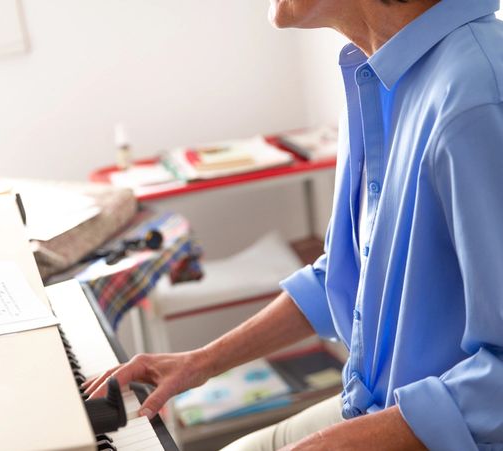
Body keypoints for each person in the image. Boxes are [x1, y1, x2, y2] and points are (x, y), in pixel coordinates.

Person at [84, 0, 503, 449]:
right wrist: (199, 362)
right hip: (380, 407)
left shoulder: (474, 99)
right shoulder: (380, 78)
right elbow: (348, 276)